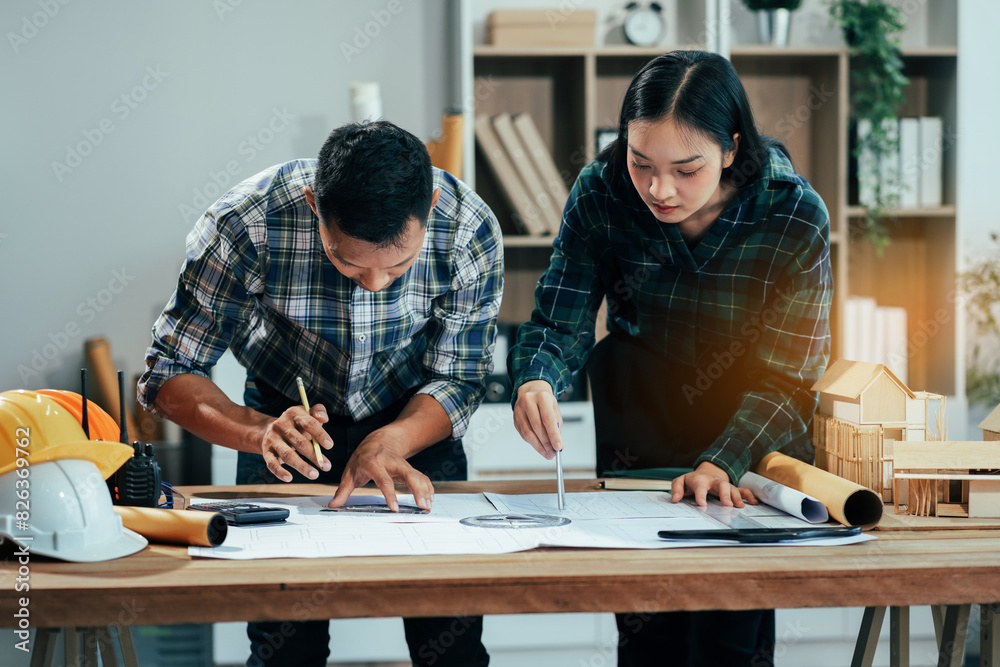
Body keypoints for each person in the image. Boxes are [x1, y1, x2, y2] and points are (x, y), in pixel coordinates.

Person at [509, 50, 832, 667]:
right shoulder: (602, 191)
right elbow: (561, 317)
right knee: (645, 624)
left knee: (732, 633)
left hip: (750, 415)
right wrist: (537, 379)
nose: (660, 189)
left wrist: (725, 461)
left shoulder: (794, 213)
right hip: (640, 407)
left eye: (686, 169)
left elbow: (791, 378)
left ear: (732, 148)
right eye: (641, 163)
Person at [138, 120, 500, 667]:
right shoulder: (246, 223)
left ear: (428, 206)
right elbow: (169, 371)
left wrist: (394, 440)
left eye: (399, 266)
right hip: (283, 423)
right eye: (347, 261)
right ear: (313, 204)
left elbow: (460, 375)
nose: (374, 284)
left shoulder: (468, 228)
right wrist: (259, 431)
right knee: (284, 645)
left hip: (416, 422)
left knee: (449, 637)